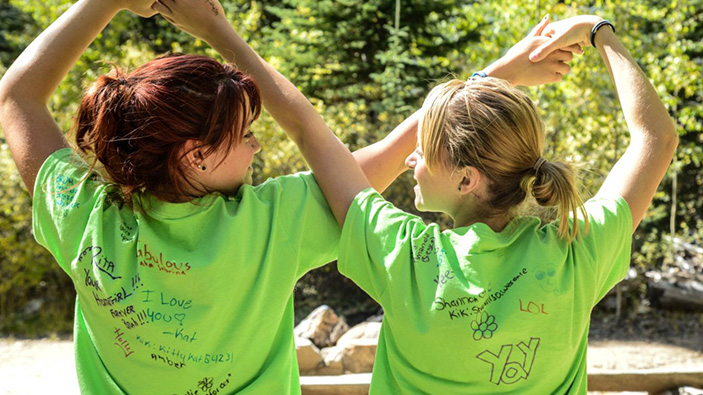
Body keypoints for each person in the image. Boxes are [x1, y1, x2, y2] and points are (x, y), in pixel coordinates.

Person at [0, 0, 577, 393]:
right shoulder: (274, 222)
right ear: (195, 156)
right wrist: (490, 79)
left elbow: (18, 97)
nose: (256, 146)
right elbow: (365, 160)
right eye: (244, 134)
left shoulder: (85, 217)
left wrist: (104, 2)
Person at [325, 15, 675, 394]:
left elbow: (337, 172)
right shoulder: (573, 250)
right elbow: (656, 139)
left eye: (422, 151)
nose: (410, 159)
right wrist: (598, 32)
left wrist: (501, 72)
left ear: (466, 179)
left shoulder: (405, 255)